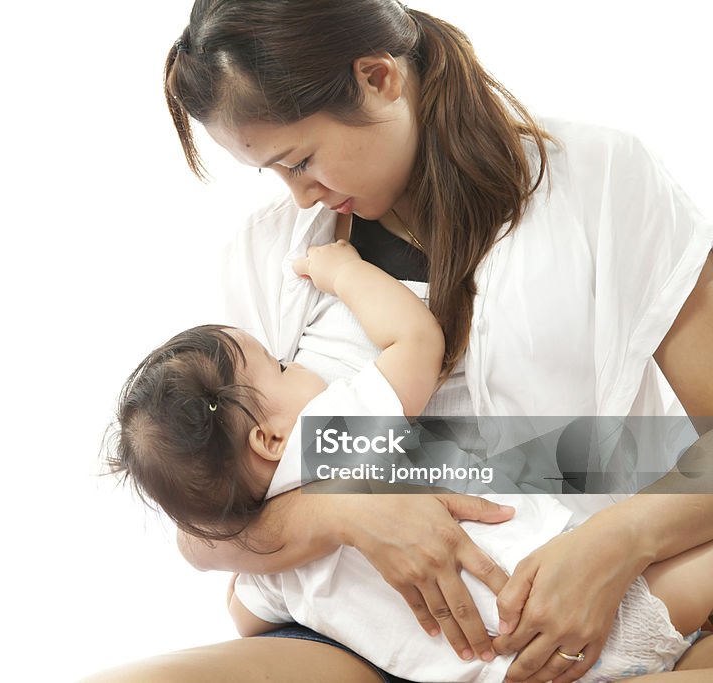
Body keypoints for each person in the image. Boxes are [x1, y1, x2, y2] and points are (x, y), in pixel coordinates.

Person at [85, 2, 713, 682]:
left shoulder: (602, 177)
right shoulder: (275, 254)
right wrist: (342, 512)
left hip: (609, 591)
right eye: (274, 171)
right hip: (387, 638)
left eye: (301, 159)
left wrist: (616, 541)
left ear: (378, 77)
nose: (300, 197)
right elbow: (208, 518)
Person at [105, 240, 710, 683]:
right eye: (283, 368)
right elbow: (416, 340)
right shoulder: (328, 435)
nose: (301, 368)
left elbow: (243, 614)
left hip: (503, 668)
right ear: (268, 439)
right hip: (575, 595)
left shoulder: (269, 568)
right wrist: (344, 271)